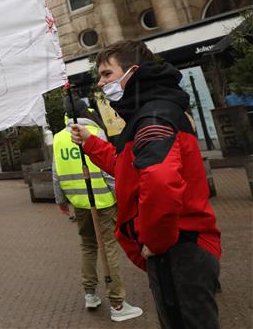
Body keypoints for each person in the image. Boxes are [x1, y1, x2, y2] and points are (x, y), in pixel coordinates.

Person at [69, 40, 221, 329]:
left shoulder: (152, 116)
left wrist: (155, 240)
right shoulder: (148, 113)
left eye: (107, 74)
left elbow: (161, 181)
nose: (101, 83)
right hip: (179, 247)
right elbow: (129, 170)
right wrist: (91, 144)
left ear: (132, 72)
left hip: (178, 249)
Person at [53, 97, 143, 322]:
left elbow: (56, 173)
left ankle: (90, 294)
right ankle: (117, 304)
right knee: (109, 247)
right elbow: (107, 168)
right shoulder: (94, 132)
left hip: (79, 202)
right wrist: (120, 194)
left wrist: (61, 200)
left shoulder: (58, 138)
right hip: (102, 200)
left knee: (88, 245)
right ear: (87, 111)